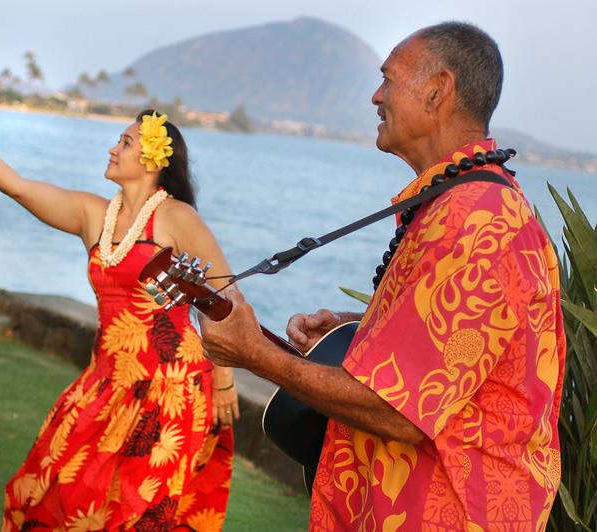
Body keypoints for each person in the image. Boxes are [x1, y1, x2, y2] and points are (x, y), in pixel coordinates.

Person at [199, 22, 564, 531]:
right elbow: (462, 342)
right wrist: (361, 326)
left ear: (438, 90)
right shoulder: (465, 202)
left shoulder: (473, 219)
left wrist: (253, 355)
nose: (375, 95)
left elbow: (402, 414)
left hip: (443, 512)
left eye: (388, 80)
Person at [0, 103, 238, 531]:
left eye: (125, 142)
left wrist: (225, 382)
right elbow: (18, 187)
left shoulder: (177, 218)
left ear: (153, 159)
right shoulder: (93, 214)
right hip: (105, 377)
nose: (112, 148)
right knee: (55, 489)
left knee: (135, 514)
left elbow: (225, 298)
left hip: (170, 387)